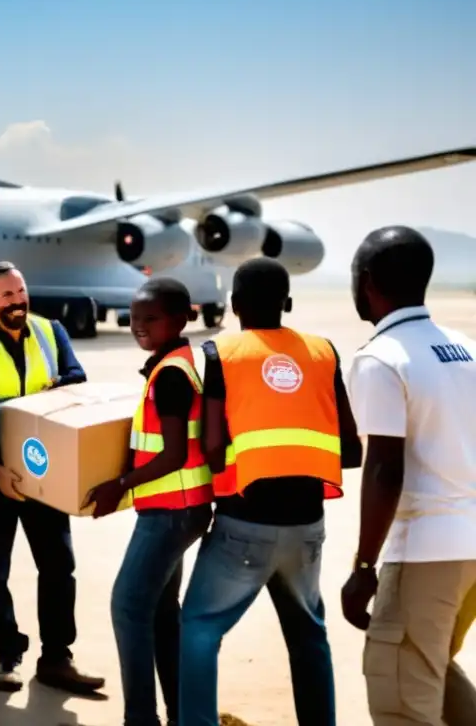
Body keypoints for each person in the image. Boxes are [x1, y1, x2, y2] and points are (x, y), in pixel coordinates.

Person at [178, 257, 363, 726]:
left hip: (245, 522)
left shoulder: (223, 353)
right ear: (289, 303)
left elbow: (214, 447)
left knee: (199, 627)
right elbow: (350, 449)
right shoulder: (324, 351)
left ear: (235, 305)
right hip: (308, 526)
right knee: (308, 635)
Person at [340, 225, 476, 726]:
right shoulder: (464, 347)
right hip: (470, 548)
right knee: (433, 672)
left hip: (426, 550)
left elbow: (383, 469)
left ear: (368, 282)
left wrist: (363, 567)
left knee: (400, 698)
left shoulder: (382, 357)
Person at [0, 261, 105, 695]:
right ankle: (7, 654)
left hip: (43, 468)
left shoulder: (50, 331)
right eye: (6, 295)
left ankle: (57, 656)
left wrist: (55, 386)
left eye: (20, 292)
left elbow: (78, 376)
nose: (17, 301)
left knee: (58, 563)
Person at [84, 278, 214, 726]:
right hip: (183, 507)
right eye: (135, 318)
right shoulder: (176, 361)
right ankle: (181, 713)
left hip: (170, 512)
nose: (140, 327)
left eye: (151, 319)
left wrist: (120, 482)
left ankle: (141, 718)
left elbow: (174, 453)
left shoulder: (172, 374)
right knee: (160, 609)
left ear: (181, 319)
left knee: (128, 606)